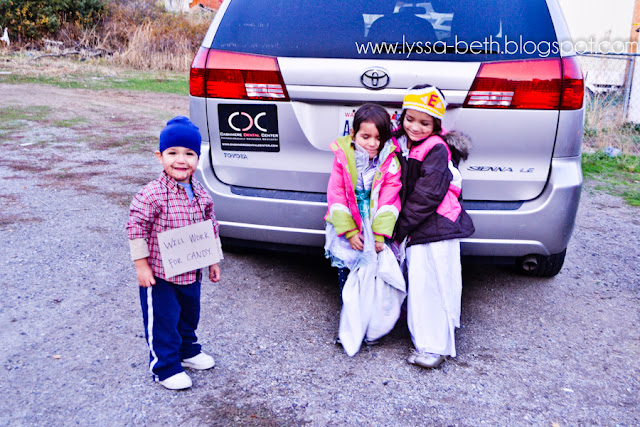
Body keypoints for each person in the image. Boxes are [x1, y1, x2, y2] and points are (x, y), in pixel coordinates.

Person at [126, 116, 223, 390]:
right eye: (172, 153)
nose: (181, 160)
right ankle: (165, 366)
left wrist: (213, 260)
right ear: (160, 156)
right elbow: (136, 228)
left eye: (189, 153)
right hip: (160, 276)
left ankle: (187, 351)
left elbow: (210, 226)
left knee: (189, 314)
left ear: (198, 158)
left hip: (191, 271)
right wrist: (141, 266)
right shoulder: (152, 195)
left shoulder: (201, 193)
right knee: (164, 320)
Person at [392, 85, 475, 369]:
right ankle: (427, 342)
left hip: (436, 227)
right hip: (422, 226)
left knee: (434, 284)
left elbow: (427, 196)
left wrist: (400, 229)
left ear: (436, 124)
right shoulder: (405, 143)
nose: (415, 127)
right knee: (422, 283)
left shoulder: (436, 149)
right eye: (410, 119)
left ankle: (435, 347)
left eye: (424, 123)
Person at [324, 103, 402, 299]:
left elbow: (390, 198)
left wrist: (380, 234)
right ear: (353, 134)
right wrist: (349, 232)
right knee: (348, 267)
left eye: (379, 138)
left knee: (374, 271)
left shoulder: (389, 160)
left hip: (375, 223)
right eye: (366, 137)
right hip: (349, 222)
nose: (373, 144)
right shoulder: (342, 157)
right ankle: (349, 307)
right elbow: (336, 194)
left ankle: (370, 309)